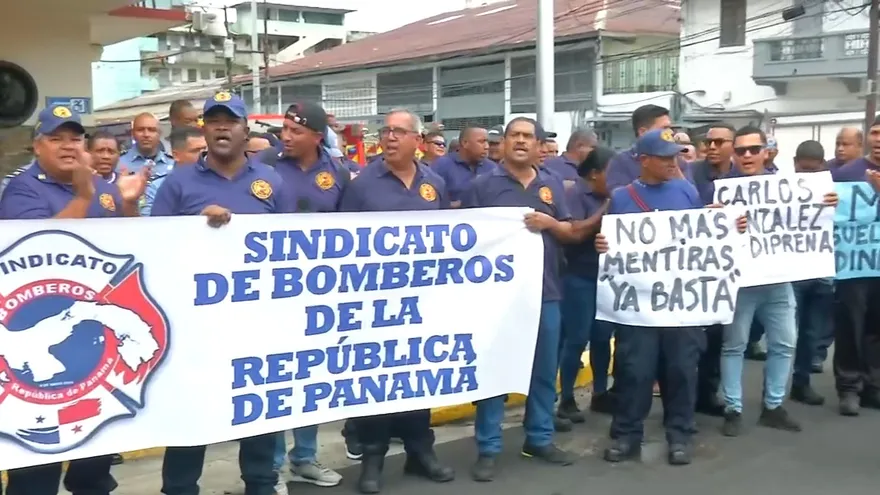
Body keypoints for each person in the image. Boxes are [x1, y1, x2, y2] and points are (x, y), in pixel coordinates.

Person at [0, 104, 148, 495]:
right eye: (56, 138)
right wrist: (84, 195)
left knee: (95, 458)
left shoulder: (104, 188)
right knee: (36, 467)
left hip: (90, 336)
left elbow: (133, 253)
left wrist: (129, 206)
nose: (68, 146)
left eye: (75, 138)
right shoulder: (22, 189)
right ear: (37, 147)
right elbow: (37, 251)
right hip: (35, 335)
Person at [151, 91, 290, 495]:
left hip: (255, 326)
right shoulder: (178, 184)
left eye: (230, 121)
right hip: (195, 329)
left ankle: (262, 485)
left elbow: (288, 252)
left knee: (257, 414)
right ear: (204, 129)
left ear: (246, 130)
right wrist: (194, 225)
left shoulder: (271, 183)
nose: (222, 127)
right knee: (191, 420)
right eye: (214, 121)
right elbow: (155, 247)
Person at [595, 128, 743, 466]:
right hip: (640, 310)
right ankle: (626, 435)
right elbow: (613, 246)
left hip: (680, 307)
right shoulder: (621, 197)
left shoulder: (686, 191)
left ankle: (680, 435)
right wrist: (602, 245)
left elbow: (701, 240)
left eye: (673, 156)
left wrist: (725, 222)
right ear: (642, 160)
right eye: (663, 157)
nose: (671, 162)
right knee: (635, 372)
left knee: (681, 371)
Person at [464, 117, 599, 482]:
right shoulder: (482, 185)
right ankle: (488, 447)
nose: (521, 142)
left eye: (528, 136)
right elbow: (465, 239)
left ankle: (539, 438)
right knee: (494, 373)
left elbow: (571, 232)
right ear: (504, 142)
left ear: (539, 145)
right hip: (497, 297)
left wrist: (550, 224)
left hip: (546, 292)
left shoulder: (552, 185)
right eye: (514, 136)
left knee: (543, 371)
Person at [337, 108, 454, 494]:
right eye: (385, 131)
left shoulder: (433, 183)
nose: (389, 137)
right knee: (375, 382)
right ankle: (373, 458)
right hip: (375, 304)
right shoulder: (362, 185)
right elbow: (341, 243)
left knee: (418, 377)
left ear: (417, 141)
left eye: (398, 132)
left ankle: (421, 451)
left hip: (421, 302)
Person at [719, 125, 838, 437]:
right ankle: (733, 408)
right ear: (734, 154)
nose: (747, 155)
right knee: (734, 345)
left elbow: (810, 221)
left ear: (766, 152)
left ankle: (773, 406)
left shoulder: (788, 186)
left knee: (785, 342)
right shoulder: (722, 190)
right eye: (740, 150)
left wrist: (825, 203)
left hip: (778, 281)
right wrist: (718, 218)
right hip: (740, 284)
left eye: (753, 150)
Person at [555, 146, 612, 424]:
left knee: (603, 337)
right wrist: (607, 209)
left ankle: (601, 392)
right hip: (579, 276)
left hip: (608, 279)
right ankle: (566, 397)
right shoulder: (575, 194)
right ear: (594, 174)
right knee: (576, 338)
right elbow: (574, 233)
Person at [830, 113, 880, 416]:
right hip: (854, 265)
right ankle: (849, 388)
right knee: (850, 326)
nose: (879, 139)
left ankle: (874, 385)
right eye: (875, 133)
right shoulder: (848, 173)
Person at [687, 122, 737, 417]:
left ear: (732, 145)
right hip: (693, 267)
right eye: (709, 142)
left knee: (720, 334)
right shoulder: (690, 173)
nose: (713, 147)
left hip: (728, 269)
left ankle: (708, 392)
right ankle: (686, 394)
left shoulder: (746, 177)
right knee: (692, 338)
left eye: (720, 142)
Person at [788, 140, 834, 406]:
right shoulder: (781, 190)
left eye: (813, 172)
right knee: (786, 335)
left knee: (812, 331)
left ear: (822, 166)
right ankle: (775, 390)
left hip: (821, 270)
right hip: (793, 272)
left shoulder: (832, 191)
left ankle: (801, 382)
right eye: (803, 171)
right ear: (794, 164)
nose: (808, 177)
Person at [605, 104, 691, 190]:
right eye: (664, 128)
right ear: (643, 132)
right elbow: (619, 198)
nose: (670, 132)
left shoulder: (678, 160)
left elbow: (691, 196)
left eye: (670, 128)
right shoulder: (621, 162)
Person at [140, 127, 206, 216]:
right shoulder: (157, 187)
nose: (203, 155)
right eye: (195, 151)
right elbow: (149, 223)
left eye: (205, 149)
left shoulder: (215, 179)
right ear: (176, 155)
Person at [430, 126, 496, 207]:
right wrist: (459, 205)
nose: (487, 147)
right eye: (481, 142)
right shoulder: (442, 165)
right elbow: (430, 202)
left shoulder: (492, 168)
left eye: (487, 142)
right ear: (465, 143)